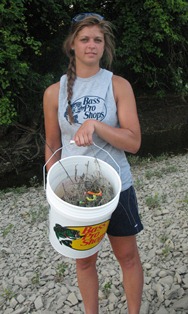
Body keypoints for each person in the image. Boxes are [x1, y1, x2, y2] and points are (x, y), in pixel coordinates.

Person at [43, 12, 144, 314]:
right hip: (75, 197)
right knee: (85, 260)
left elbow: (134, 142)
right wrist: (55, 190)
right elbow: (52, 145)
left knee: (127, 257)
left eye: (97, 40)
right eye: (84, 39)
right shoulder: (53, 93)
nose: (91, 45)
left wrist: (96, 125)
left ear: (104, 46)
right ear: (72, 45)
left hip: (117, 189)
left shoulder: (118, 85)